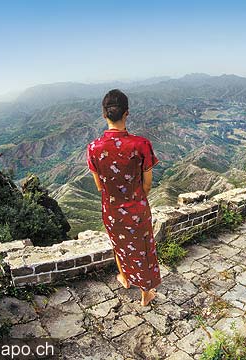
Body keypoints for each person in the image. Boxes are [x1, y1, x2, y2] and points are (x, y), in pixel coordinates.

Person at [86, 89, 161, 306]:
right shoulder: (141, 144)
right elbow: (147, 185)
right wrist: (135, 199)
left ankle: (125, 278)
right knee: (144, 249)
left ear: (104, 115)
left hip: (111, 210)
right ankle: (146, 293)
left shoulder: (93, 148)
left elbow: (100, 185)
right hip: (137, 208)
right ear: (127, 113)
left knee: (119, 245)